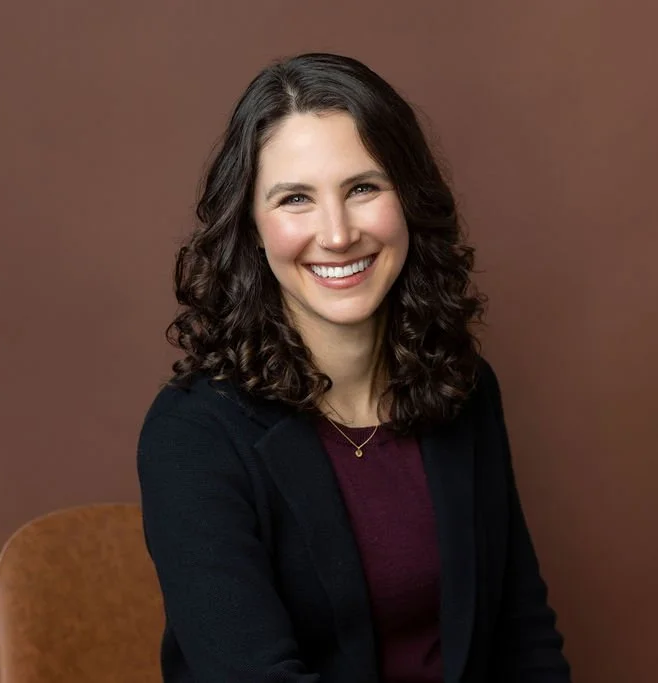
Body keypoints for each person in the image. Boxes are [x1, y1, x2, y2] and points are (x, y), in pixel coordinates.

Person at [136, 52, 571, 683]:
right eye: (295, 199)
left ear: (409, 201)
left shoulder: (462, 387)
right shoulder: (194, 434)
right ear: (253, 227)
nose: (337, 234)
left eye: (363, 188)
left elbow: (522, 635)